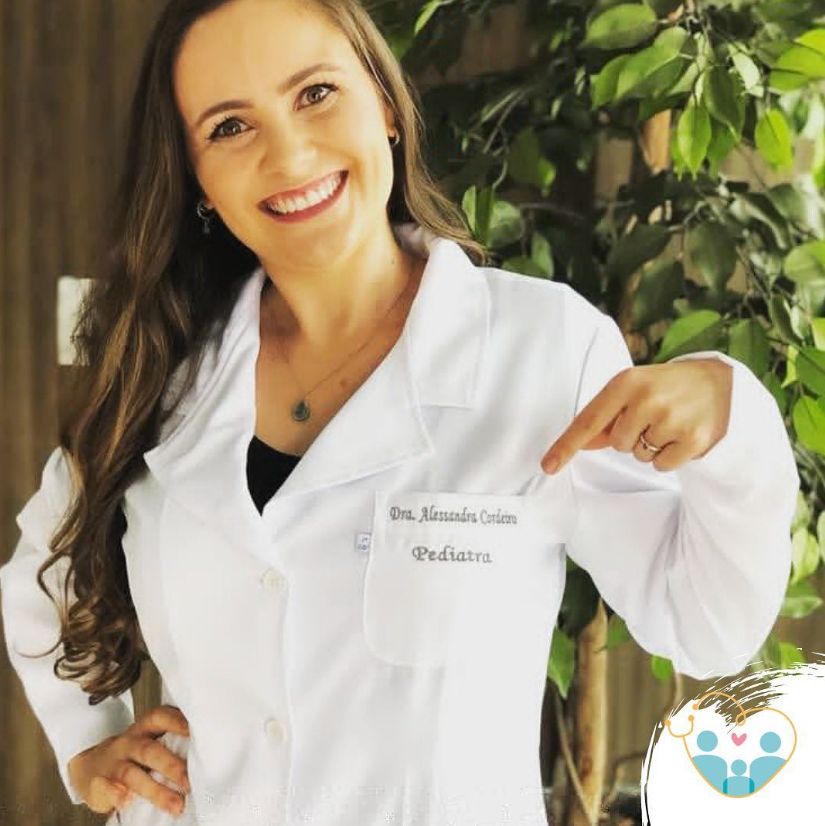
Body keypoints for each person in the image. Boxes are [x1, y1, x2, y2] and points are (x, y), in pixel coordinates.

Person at [0, 0, 800, 824]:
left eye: (315, 93)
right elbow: (44, 570)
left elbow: (705, 626)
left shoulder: (541, 349)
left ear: (385, 106)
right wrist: (86, 746)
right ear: (196, 177)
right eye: (230, 127)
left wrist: (727, 418)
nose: (289, 152)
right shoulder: (163, 369)